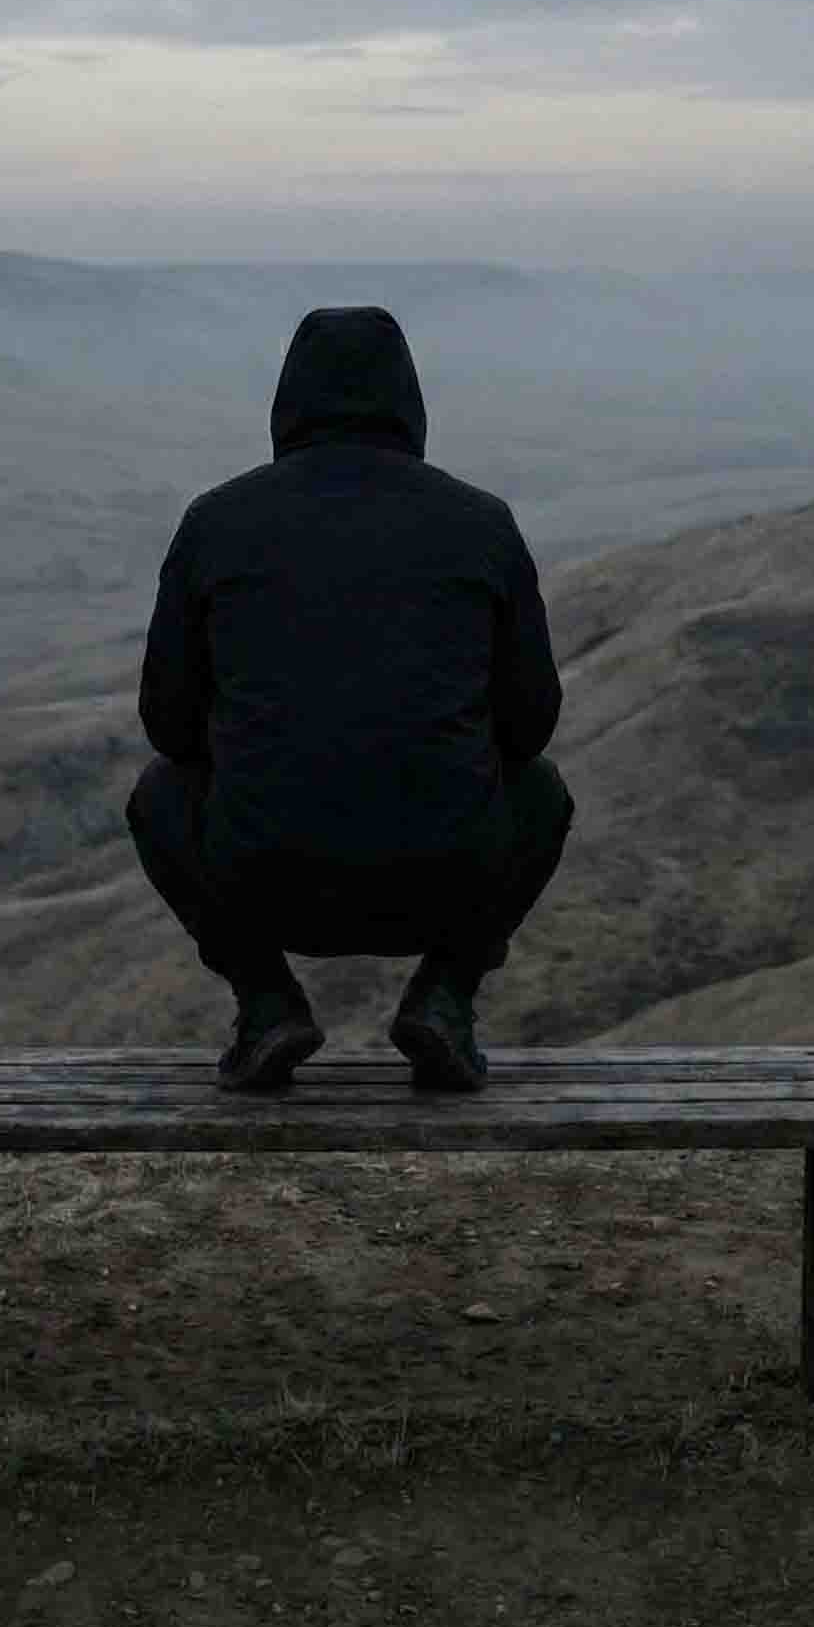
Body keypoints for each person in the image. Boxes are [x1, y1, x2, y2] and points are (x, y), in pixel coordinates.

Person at [124, 304, 575, 1093]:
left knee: (160, 797)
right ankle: (445, 998)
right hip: (445, 880)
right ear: (409, 400)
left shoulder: (216, 522)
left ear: (287, 401)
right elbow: (530, 727)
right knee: (542, 795)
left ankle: (266, 1002)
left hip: (262, 879)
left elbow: (168, 725)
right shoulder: (482, 524)